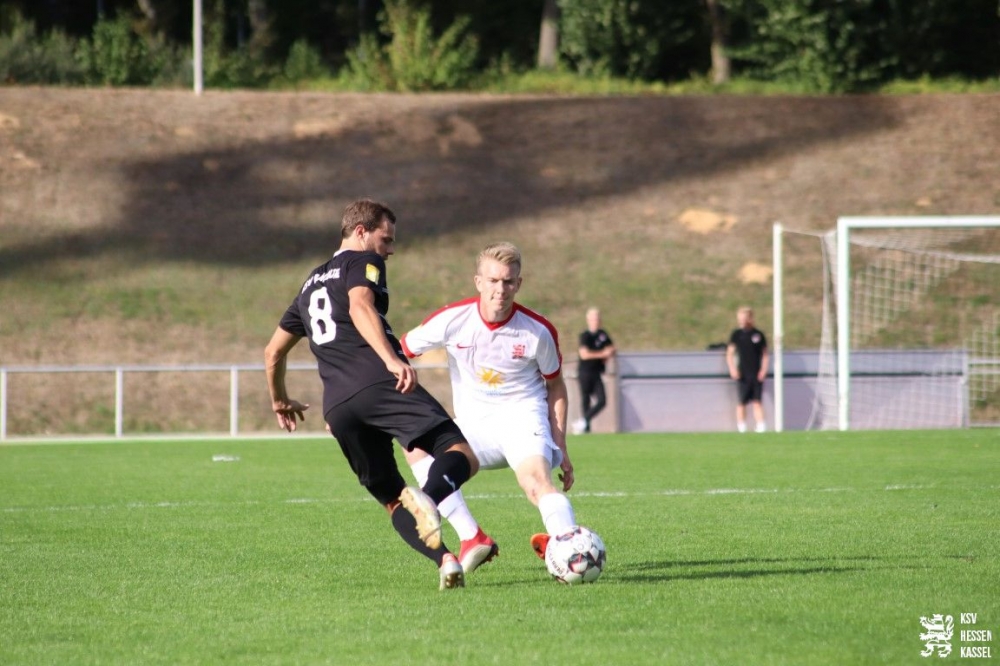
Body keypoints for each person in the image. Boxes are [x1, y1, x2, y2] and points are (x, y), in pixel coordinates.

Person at [263, 198, 482, 590]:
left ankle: (446, 561)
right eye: (386, 239)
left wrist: (279, 400)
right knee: (462, 454)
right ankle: (430, 499)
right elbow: (360, 305)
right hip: (380, 383)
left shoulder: (308, 286)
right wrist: (391, 360)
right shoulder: (362, 261)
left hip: (339, 408)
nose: (390, 249)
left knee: (394, 500)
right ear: (361, 232)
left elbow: (272, 353)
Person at [400, 241, 581, 570]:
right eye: (494, 281)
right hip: (472, 428)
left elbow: (555, 385)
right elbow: (397, 353)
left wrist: (561, 445)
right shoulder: (452, 319)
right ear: (478, 282)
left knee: (536, 482)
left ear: (518, 284)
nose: (501, 289)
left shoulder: (538, 331)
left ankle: (570, 550)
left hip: (522, 420)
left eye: (509, 281)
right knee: (414, 443)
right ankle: (472, 537)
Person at [725, 305, 770, 433]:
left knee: (757, 402)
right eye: (740, 318)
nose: (742, 321)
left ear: (750, 318)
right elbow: (730, 353)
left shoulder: (758, 335)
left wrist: (763, 370)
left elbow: (765, 354)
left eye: (744, 318)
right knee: (742, 402)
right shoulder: (736, 334)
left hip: (756, 373)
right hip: (742, 373)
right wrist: (732, 369)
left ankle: (761, 427)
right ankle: (742, 427)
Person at [572, 307, 615, 435]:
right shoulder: (585, 336)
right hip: (585, 372)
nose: (596, 321)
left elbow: (611, 348)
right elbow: (584, 354)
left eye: (598, 318)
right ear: (588, 320)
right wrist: (602, 354)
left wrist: (608, 354)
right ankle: (586, 429)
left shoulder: (603, 334)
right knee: (586, 400)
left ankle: (582, 421)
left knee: (602, 400)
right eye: (593, 318)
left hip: (597, 372)